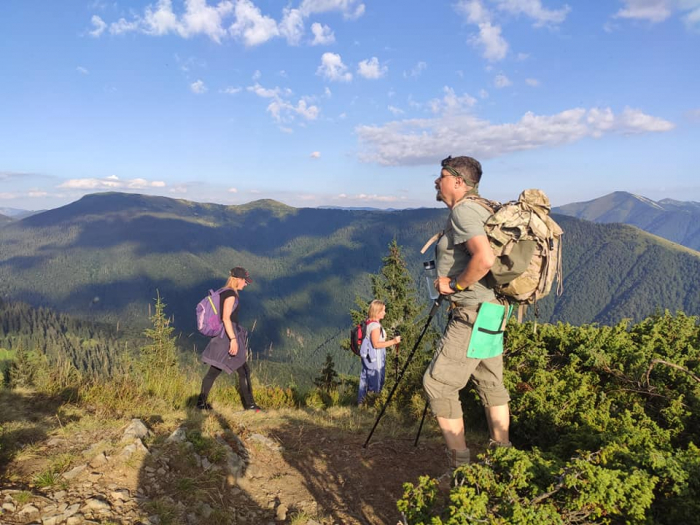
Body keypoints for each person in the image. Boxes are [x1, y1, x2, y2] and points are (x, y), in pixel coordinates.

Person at [423, 155, 512, 469]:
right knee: (490, 382)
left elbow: (484, 259)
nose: (437, 181)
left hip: (473, 310)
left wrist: (455, 286)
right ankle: (503, 460)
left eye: (442, 176)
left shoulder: (463, 211)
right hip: (494, 309)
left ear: (458, 181)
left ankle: (459, 469)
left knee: (438, 384)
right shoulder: (484, 207)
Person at [196, 267, 262, 412]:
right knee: (243, 370)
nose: (246, 284)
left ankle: (200, 405)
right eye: (245, 281)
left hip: (221, 337)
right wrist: (233, 339)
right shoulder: (231, 294)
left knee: (214, 371)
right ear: (238, 279)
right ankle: (250, 406)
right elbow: (226, 318)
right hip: (227, 337)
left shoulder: (222, 292)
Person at [358, 299, 401, 404]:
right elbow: (376, 344)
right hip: (375, 358)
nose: (385, 313)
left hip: (368, 357)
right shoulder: (375, 326)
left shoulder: (369, 322)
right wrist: (394, 341)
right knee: (375, 381)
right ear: (377, 312)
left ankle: (361, 403)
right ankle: (373, 404)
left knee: (365, 379)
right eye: (383, 311)